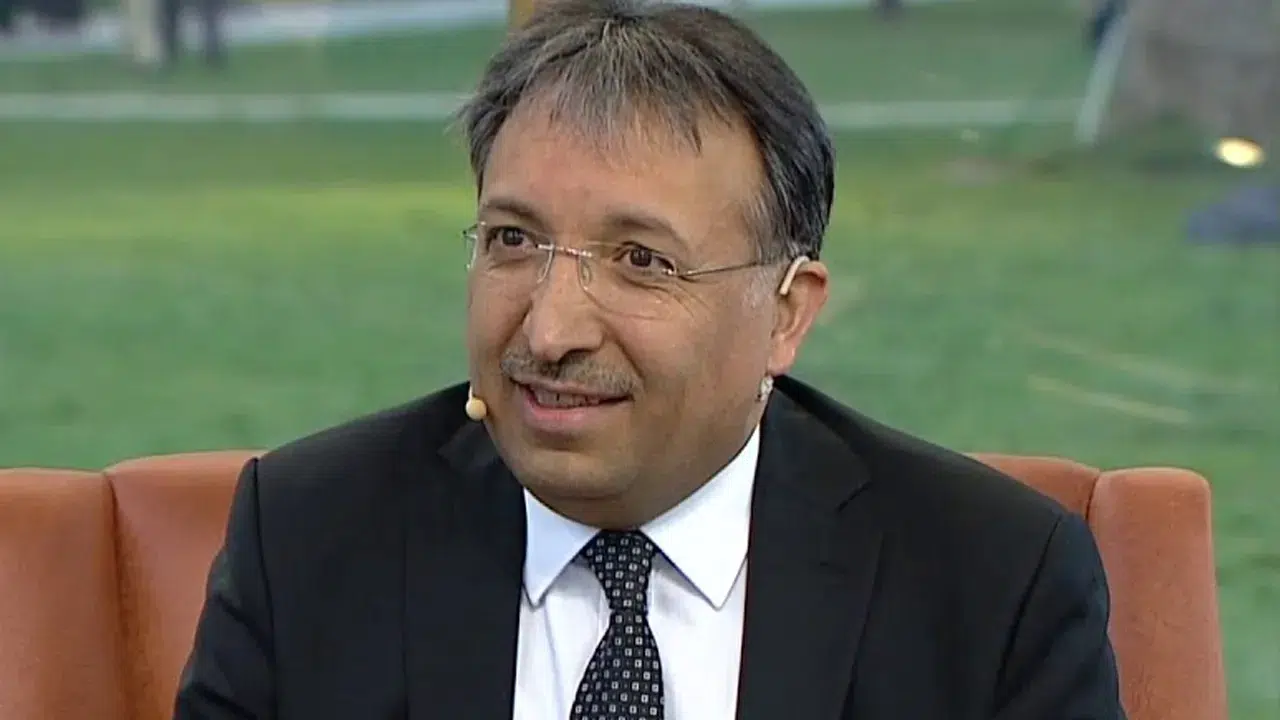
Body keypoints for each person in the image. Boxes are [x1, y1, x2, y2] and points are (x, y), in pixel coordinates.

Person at [174, 1, 1127, 718]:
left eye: (641, 261)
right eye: (513, 240)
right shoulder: (308, 541)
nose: (549, 331)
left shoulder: (993, 584)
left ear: (786, 314)